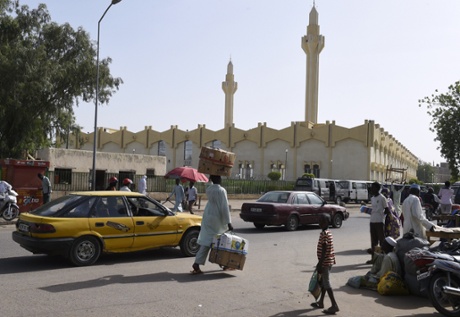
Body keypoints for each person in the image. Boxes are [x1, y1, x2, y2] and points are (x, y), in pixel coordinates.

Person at [191, 175, 233, 274]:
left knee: (206, 242)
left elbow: (208, 184)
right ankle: (224, 264)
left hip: (208, 216)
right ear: (219, 179)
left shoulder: (209, 189)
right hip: (217, 218)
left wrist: (210, 178)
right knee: (220, 242)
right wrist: (229, 222)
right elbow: (224, 207)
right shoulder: (221, 190)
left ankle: (197, 263)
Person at [310, 213, 339, 315]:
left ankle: (334, 305)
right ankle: (321, 301)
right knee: (323, 283)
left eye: (322, 221)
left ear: (327, 222)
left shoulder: (324, 234)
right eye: (319, 220)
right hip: (328, 261)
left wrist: (320, 264)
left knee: (326, 283)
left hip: (325, 262)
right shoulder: (328, 232)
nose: (320, 222)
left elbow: (325, 248)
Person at [368, 182, 389, 264]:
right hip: (372, 221)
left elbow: (387, 210)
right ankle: (374, 258)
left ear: (377, 188)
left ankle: (383, 258)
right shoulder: (372, 198)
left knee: (381, 240)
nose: (372, 189)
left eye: (373, 188)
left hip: (379, 221)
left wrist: (382, 215)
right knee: (373, 241)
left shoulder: (382, 198)